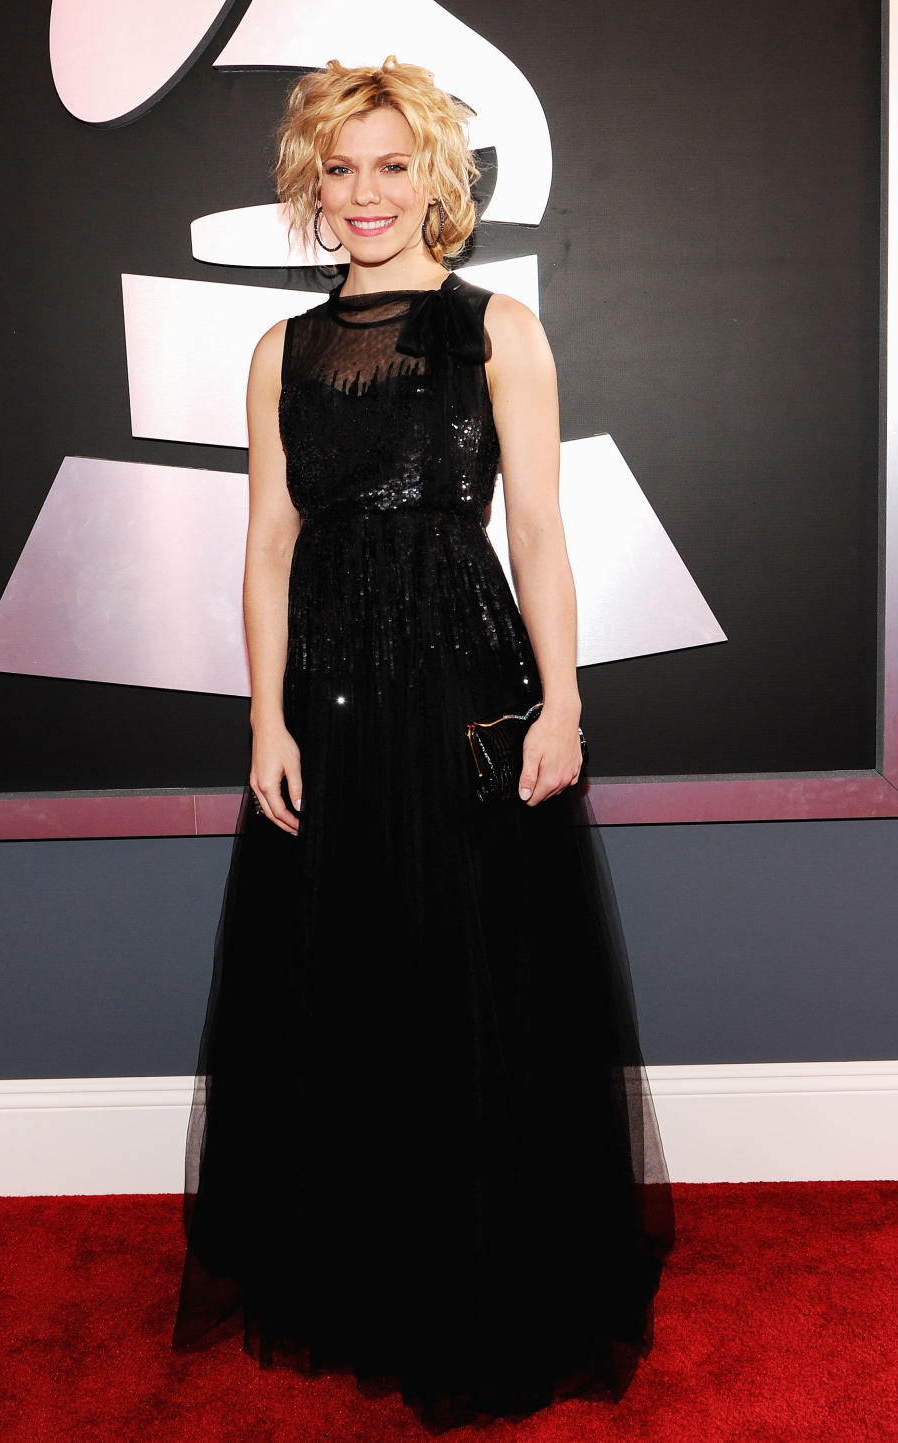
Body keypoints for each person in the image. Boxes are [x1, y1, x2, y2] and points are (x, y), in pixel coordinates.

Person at [172, 55, 675, 1434]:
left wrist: (563, 702)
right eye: (339, 169)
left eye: (392, 164)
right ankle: (360, 1268)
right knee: (346, 977)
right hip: (329, 701)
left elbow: (545, 537)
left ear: (438, 178)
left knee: (479, 980)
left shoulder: (498, 330)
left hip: (466, 682)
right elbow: (268, 550)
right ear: (309, 189)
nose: (366, 194)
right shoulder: (279, 354)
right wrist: (264, 715)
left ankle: (485, 1272)